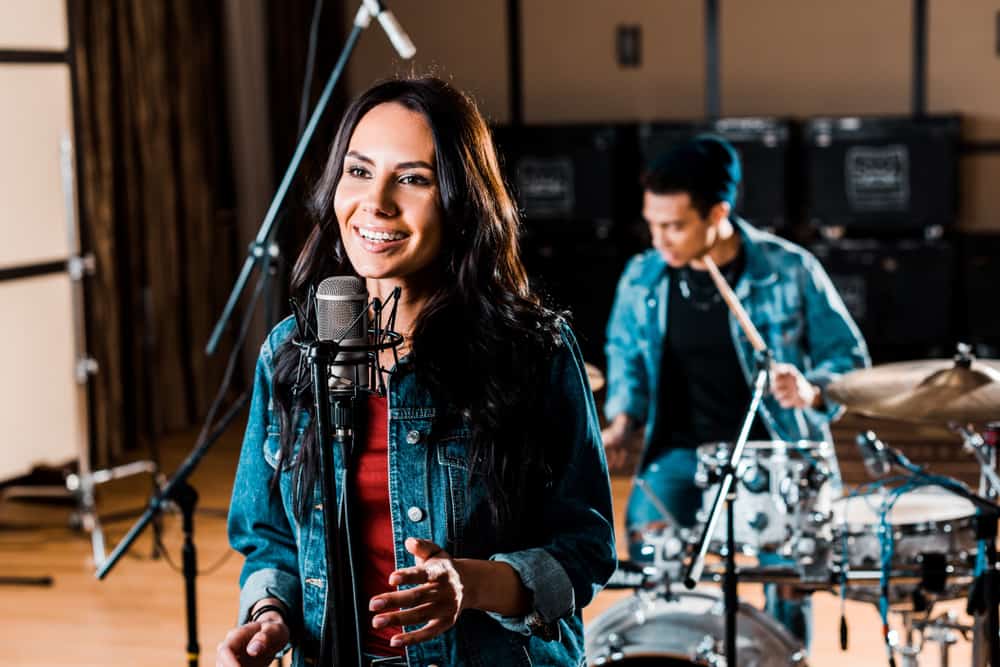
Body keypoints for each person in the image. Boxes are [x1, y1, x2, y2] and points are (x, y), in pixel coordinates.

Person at [216, 77, 616, 667]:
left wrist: (469, 584)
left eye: (412, 179)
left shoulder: (533, 350)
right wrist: (268, 618)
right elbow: (268, 539)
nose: (375, 202)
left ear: (460, 200)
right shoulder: (291, 351)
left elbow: (585, 547)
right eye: (358, 171)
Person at [601, 135, 869, 645]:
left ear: (718, 213)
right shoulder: (643, 277)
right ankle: (671, 651)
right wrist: (621, 422)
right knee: (652, 567)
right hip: (681, 454)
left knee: (787, 580)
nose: (660, 240)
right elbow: (626, 356)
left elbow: (849, 362)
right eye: (653, 224)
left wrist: (810, 390)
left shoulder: (789, 269)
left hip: (775, 456)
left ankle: (787, 654)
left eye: (675, 226)